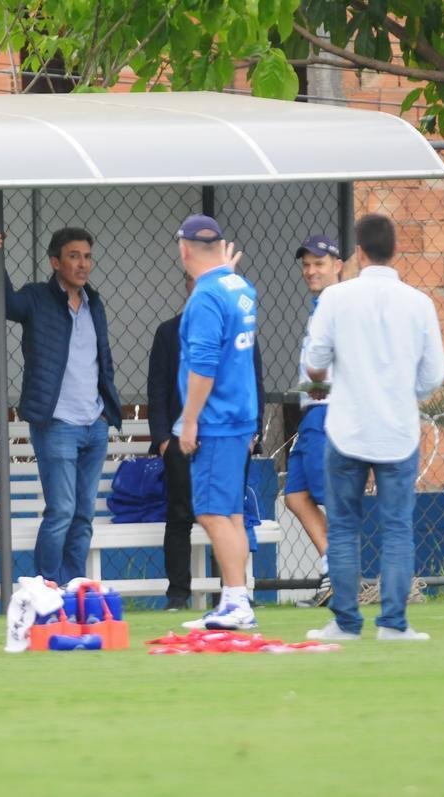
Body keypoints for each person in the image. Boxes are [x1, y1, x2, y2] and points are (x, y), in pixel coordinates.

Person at [304, 213, 444, 643]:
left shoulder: (336, 299)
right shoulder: (419, 302)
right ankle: (393, 624)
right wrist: (407, 393)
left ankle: (346, 623)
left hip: (347, 427)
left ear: (359, 253)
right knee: (397, 528)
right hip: (398, 430)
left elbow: (315, 364)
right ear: (394, 251)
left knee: (345, 526)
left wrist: (324, 380)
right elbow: (434, 374)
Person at [0, 226, 122, 585]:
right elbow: (7, 303)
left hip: (95, 423)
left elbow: (100, 360)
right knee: (61, 510)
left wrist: (107, 411)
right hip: (57, 423)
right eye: (74, 256)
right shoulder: (36, 298)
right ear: (55, 262)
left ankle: (73, 586)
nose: (83, 264)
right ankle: (47, 588)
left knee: (83, 515)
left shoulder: (95, 303)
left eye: (87, 256)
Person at [148, 274, 266, 612]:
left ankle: (231, 592)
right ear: (188, 286)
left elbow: (253, 381)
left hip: (229, 436)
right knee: (181, 514)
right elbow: (157, 390)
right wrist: (163, 441)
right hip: (181, 439)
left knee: (230, 514)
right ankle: (178, 594)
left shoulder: (240, 331)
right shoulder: (168, 332)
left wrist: (253, 435)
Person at [169, 214, 260, 631]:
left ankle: (237, 600)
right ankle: (234, 597)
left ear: (184, 249)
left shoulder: (205, 297)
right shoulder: (239, 286)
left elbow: (203, 366)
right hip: (240, 415)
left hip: (216, 419)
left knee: (210, 512)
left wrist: (189, 423)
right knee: (232, 515)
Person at [283, 235, 343, 605]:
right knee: (295, 496)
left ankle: (342, 578)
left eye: (319, 263)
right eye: (306, 264)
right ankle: (332, 568)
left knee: (331, 498)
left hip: (329, 409)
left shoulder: (339, 305)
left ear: (338, 265)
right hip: (312, 411)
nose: (310, 270)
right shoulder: (320, 305)